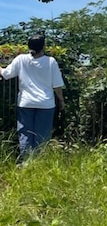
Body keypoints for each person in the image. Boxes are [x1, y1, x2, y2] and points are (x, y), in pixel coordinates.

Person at [0, 34, 65, 162]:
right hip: (46, 104)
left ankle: (26, 162)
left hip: (25, 103)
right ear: (43, 47)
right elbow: (57, 86)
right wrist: (61, 101)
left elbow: (6, 74)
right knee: (42, 135)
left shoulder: (21, 59)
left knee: (25, 133)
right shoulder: (51, 61)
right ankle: (38, 163)